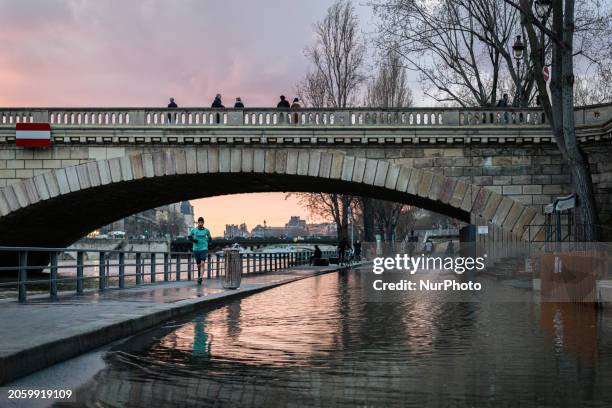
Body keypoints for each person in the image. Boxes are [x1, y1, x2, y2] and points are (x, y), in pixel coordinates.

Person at [189, 217, 212, 285]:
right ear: (198, 223)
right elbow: (189, 237)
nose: (200, 223)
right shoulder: (194, 230)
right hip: (196, 249)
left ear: (203, 223)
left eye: (202, 222)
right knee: (199, 265)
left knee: (202, 263)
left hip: (204, 249)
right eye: (199, 222)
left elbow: (210, 238)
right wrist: (194, 240)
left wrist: (210, 242)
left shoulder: (206, 231)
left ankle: (201, 278)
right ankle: (199, 276)